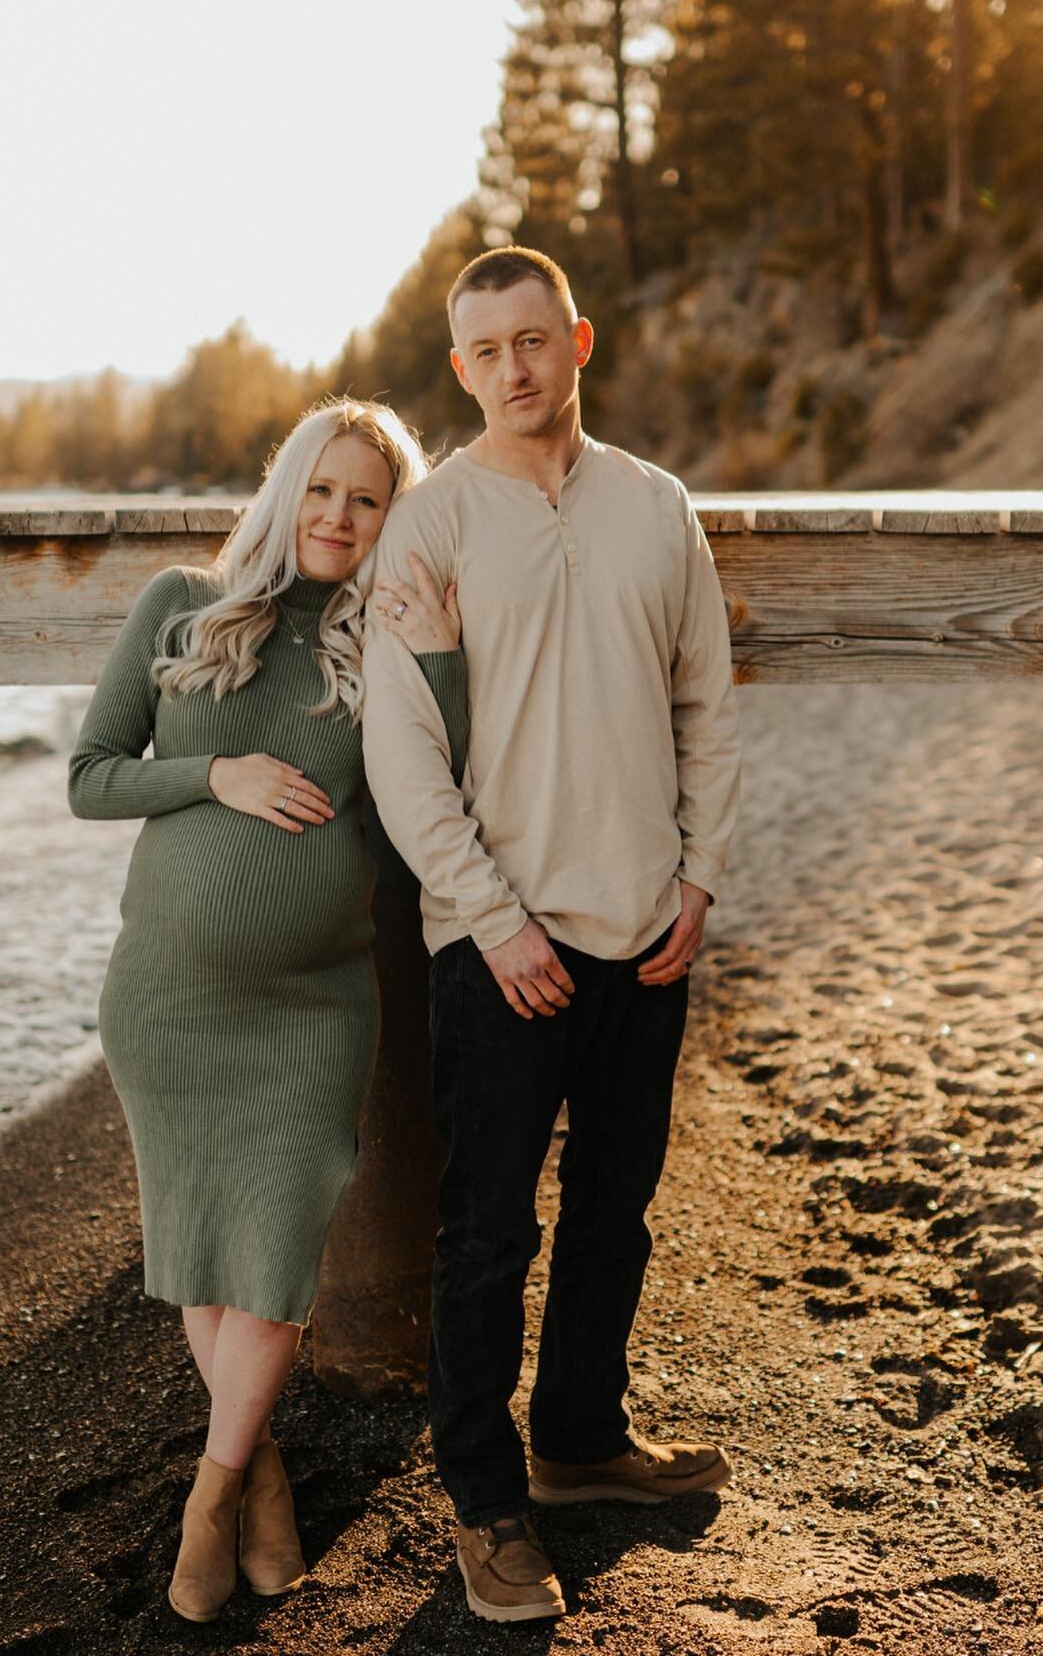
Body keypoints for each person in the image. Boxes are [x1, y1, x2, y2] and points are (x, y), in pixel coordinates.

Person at [362, 247, 742, 1624]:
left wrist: (700, 876)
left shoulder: (657, 505)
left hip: (650, 927)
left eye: (536, 336)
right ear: (460, 368)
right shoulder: (434, 525)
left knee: (614, 1212)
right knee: (485, 1234)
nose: (516, 366)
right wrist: (490, 918)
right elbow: (404, 754)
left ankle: (579, 1440)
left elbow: (705, 702)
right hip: (498, 940)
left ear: (578, 338)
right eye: (487, 348)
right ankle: (484, 1498)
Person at [67, 397, 465, 1625]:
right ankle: (261, 1475)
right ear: (288, 488)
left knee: (279, 1251)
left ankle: (209, 1493)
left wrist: (439, 650)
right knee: (206, 1246)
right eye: (324, 489)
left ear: (389, 518)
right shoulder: (181, 605)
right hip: (172, 1002)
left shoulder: (382, 644)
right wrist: (218, 774)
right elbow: (91, 779)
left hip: (312, 1007)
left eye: (369, 498)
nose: (340, 518)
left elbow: (440, 781)